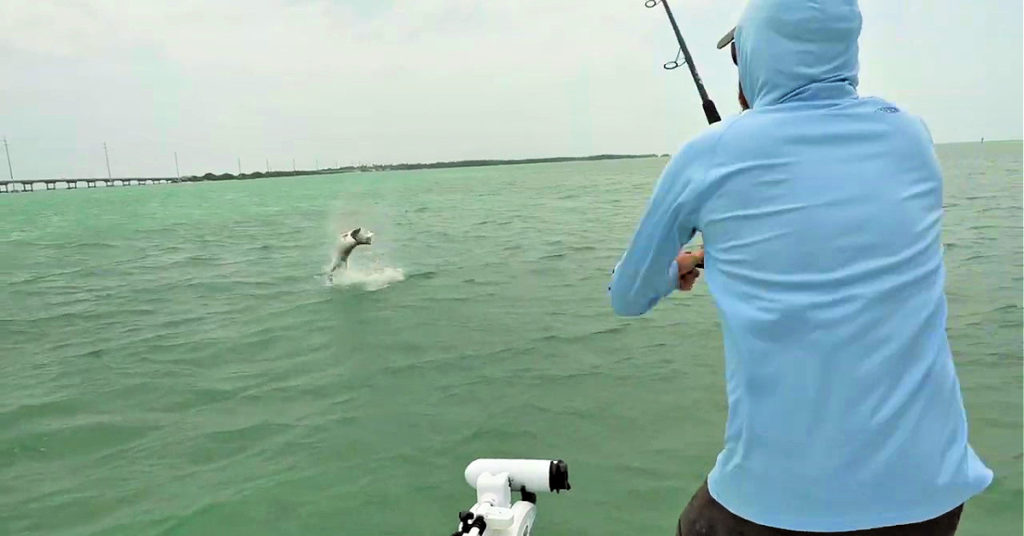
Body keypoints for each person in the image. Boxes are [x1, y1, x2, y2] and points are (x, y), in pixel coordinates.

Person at [607, 1, 992, 534]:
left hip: (775, 505)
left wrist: (681, 266)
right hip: (931, 493)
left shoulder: (709, 155)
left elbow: (626, 295)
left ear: (762, 54)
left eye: (740, 53)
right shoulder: (911, 136)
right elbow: (830, 237)